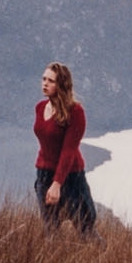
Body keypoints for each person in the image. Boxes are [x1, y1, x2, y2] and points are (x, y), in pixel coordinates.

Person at [33, 60, 98, 235]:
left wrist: (57, 184)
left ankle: (106, 261)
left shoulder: (75, 112)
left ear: (61, 85)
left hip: (71, 177)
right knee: (51, 233)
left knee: (86, 231)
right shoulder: (40, 108)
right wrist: (46, 181)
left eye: (51, 81)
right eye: (44, 79)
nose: (45, 83)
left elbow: (69, 150)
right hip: (44, 174)